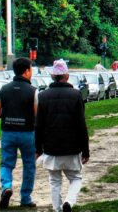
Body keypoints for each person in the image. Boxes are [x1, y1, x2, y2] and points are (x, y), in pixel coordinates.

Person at [35, 59, 89, 212]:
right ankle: (69, 202)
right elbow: (81, 125)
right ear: (66, 75)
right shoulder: (76, 95)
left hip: (51, 147)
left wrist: (38, 148)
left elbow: (38, 125)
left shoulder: (43, 96)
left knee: (54, 181)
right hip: (72, 147)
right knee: (75, 178)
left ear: (53, 76)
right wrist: (85, 150)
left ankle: (58, 209)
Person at [0, 57, 37, 209]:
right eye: (31, 69)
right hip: (27, 134)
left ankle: (7, 187)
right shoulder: (33, 91)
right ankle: (25, 198)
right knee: (29, 165)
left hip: (8, 132)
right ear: (27, 71)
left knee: (6, 163)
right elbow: (38, 115)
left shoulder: (4, 89)